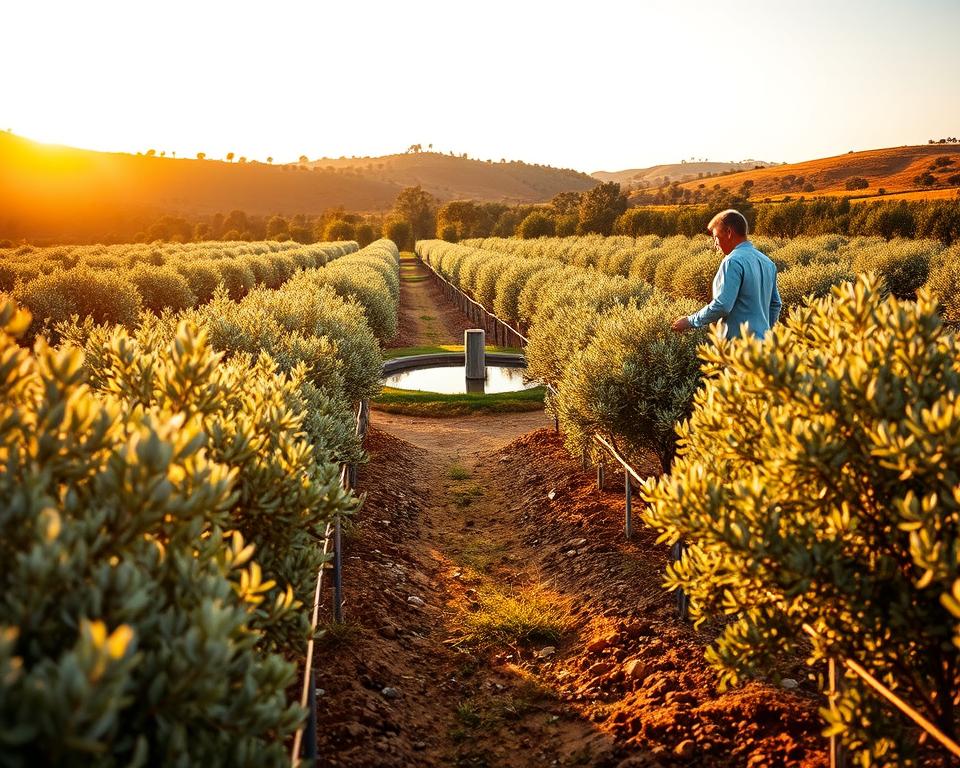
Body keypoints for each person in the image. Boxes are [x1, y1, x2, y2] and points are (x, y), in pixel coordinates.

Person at [671, 209, 782, 339]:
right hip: (762, 347)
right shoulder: (768, 262)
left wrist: (690, 321)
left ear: (729, 233)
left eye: (716, 237)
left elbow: (722, 305)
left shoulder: (732, 261)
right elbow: (775, 304)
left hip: (738, 347)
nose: (715, 244)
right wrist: (765, 333)